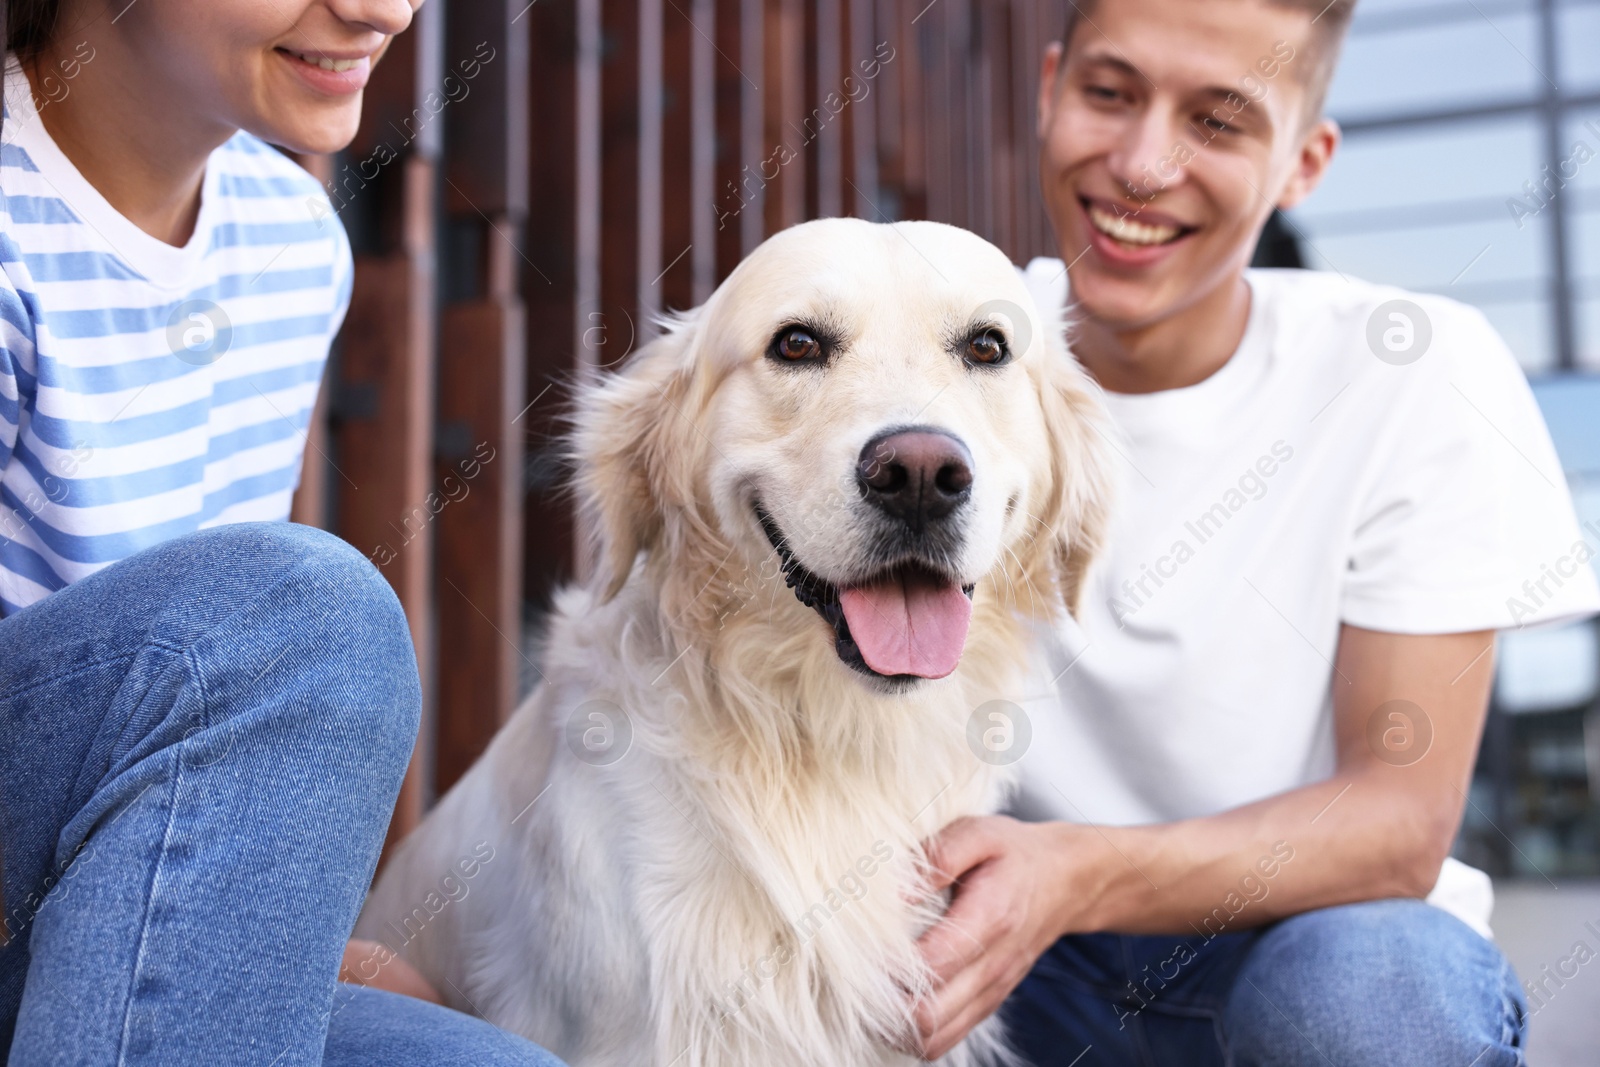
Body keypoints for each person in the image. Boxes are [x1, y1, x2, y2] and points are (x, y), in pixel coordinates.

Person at [911, 0, 1600, 1064]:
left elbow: (1397, 821)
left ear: (1303, 164)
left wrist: (1078, 869)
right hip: (1001, 950)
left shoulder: (1409, 370)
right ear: (1048, 88)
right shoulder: (931, 350)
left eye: (1218, 122)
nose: (1141, 164)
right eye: (1109, 93)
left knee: (1369, 995)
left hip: (1300, 939)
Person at [0, 1, 562, 1063]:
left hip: (91, 907)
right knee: (306, 614)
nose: (380, 10)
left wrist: (264, 927)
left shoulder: (292, 241)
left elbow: (208, 701)